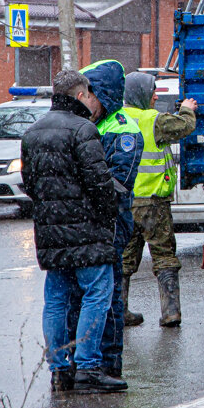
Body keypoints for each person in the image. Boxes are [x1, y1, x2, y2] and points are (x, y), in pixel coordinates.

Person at [22, 69, 127, 393]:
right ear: (80, 95)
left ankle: (59, 370)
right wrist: (109, 213)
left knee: (56, 300)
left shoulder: (33, 132)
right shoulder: (84, 130)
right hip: (86, 231)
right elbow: (99, 184)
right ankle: (88, 366)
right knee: (97, 293)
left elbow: (30, 184)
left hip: (50, 232)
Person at [74, 60, 143, 378]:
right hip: (89, 221)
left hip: (112, 222)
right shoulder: (93, 124)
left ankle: (109, 362)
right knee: (87, 293)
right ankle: (88, 358)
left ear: (102, 93)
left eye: (88, 93)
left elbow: (118, 184)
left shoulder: (124, 130)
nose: (83, 99)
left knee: (109, 294)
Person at [120, 72, 198, 328]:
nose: (155, 95)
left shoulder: (115, 120)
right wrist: (187, 109)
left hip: (124, 204)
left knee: (123, 259)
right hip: (152, 204)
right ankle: (171, 311)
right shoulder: (152, 120)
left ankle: (119, 310)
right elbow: (185, 127)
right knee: (164, 257)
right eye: (152, 91)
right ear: (140, 93)